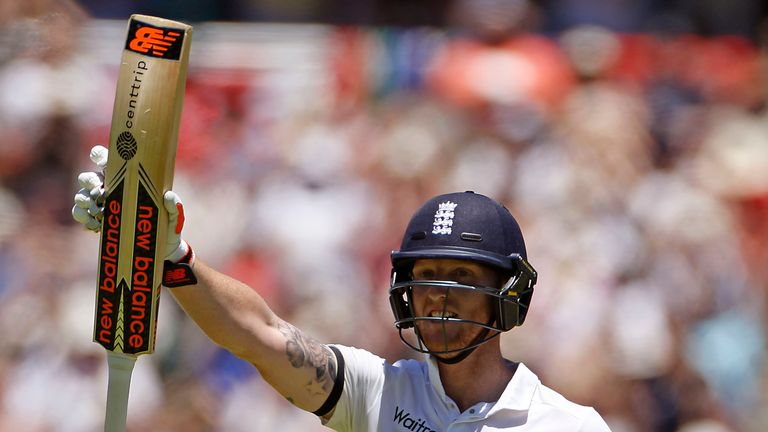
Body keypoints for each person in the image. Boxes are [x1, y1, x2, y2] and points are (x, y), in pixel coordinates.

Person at [72, 146, 612, 431]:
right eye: (424, 277)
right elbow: (259, 335)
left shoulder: (568, 426)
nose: (437, 296)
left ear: (508, 293)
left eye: (463, 277)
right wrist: (171, 257)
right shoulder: (382, 393)